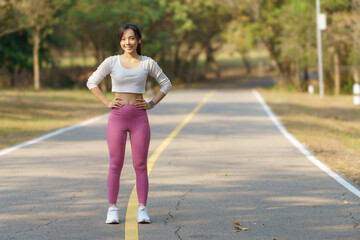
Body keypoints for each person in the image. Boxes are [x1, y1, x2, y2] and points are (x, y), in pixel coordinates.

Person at [86, 23, 172, 224]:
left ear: (139, 40)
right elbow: (92, 82)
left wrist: (151, 103)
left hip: (139, 118)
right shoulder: (112, 61)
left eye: (132, 38)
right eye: (124, 38)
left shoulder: (148, 62)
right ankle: (112, 209)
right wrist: (107, 102)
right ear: (120, 41)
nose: (128, 42)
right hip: (117, 117)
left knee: (140, 164)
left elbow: (166, 83)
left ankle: (142, 209)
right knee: (115, 163)